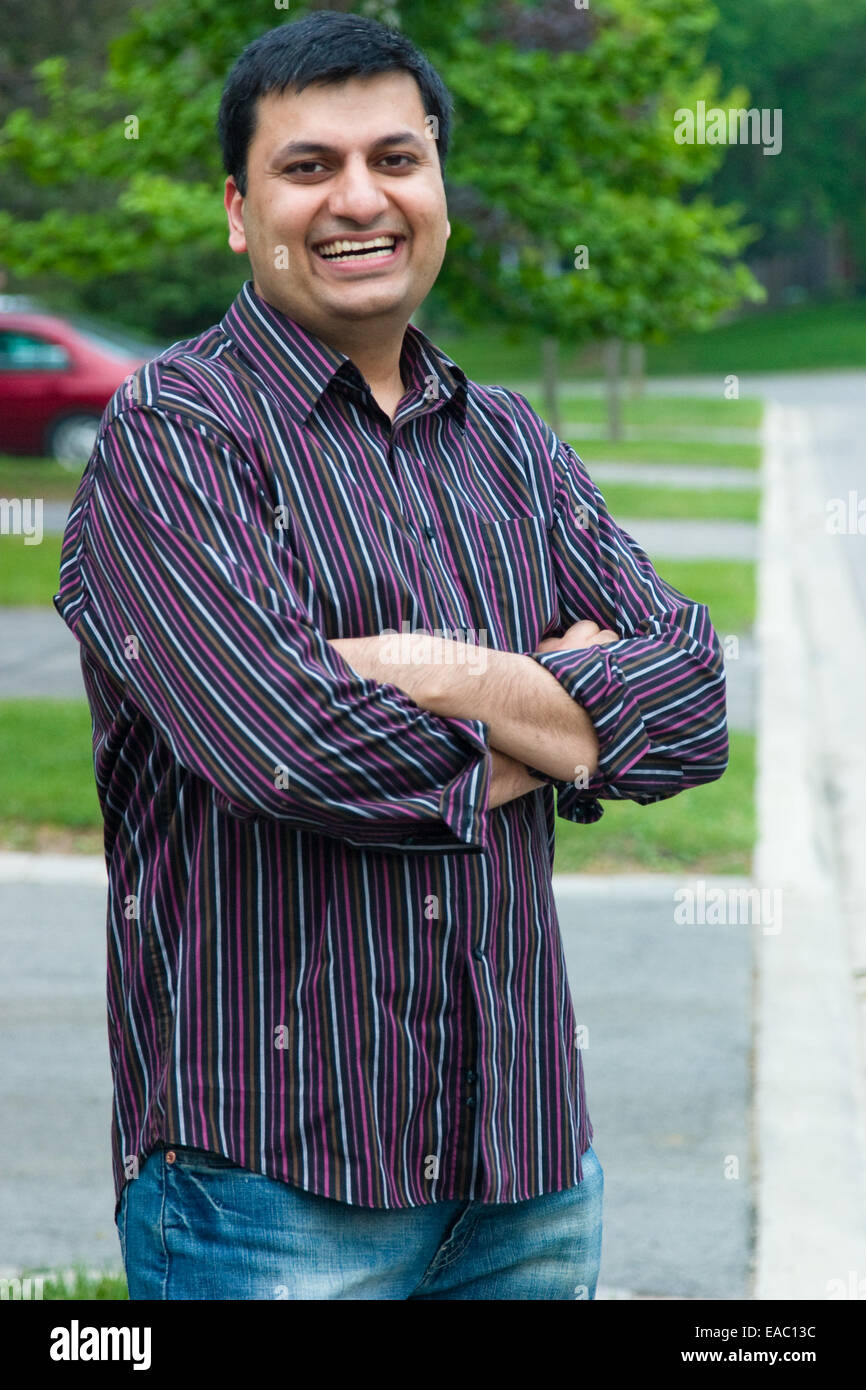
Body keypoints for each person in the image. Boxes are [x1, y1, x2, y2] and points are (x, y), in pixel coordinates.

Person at [54, 10, 728, 1300]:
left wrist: (433, 667)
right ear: (241, 213)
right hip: (269, 1191)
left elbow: (691, 706)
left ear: (440, 196)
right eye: (308, 167)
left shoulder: (511, 444)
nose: (359, 198)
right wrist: (570, 721)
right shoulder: (174, 438)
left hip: (529, 1170)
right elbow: (300, 753)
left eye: (396, 159)